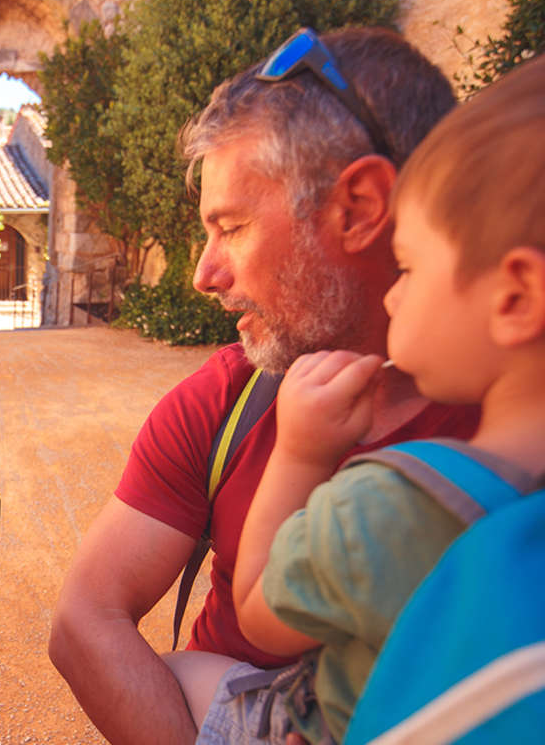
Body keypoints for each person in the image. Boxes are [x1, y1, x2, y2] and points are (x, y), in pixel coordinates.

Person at [49, 26, 480, 745]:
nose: (204, 274)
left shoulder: (512, 412)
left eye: (233, 226)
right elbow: (85, 622)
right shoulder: (227, 401)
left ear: (361, 207)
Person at [166, 51, 545, 744]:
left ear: (517, 296)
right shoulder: (214, 398)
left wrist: (301, 455)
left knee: (182, 668)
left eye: (414, 265)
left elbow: (256, 614)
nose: (202, 273)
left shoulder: (386, 505)